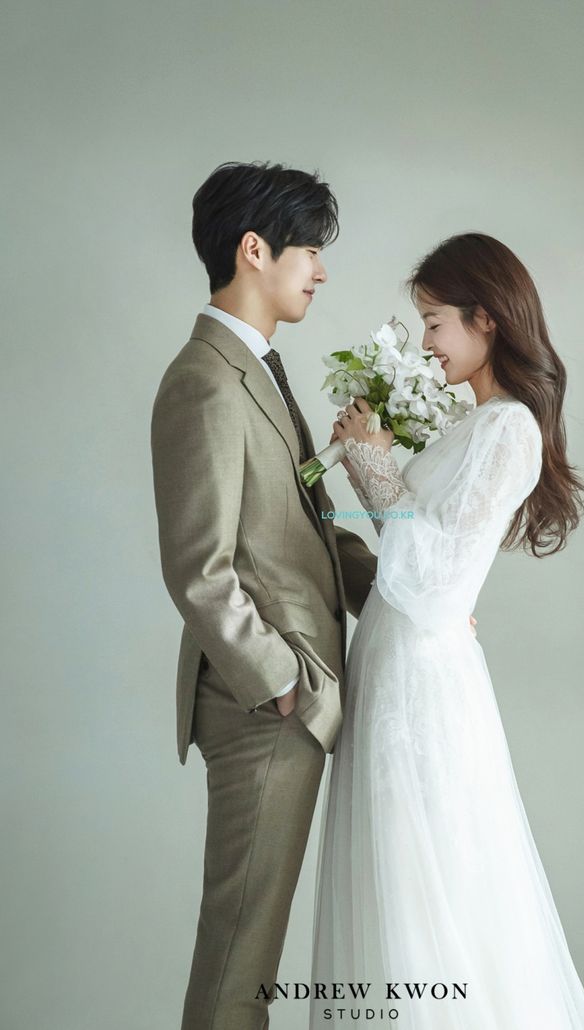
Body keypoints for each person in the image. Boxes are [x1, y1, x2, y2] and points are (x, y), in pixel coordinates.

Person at [309, 233, 584, 1029]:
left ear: (487, 321)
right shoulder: (474, 425)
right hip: (397, 662)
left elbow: (433, 587)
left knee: (422, 889)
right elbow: (418, 556)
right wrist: (374, 464)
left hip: (422, 682)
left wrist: (371, 464)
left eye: (435, 323)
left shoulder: (508, 430)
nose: (428, 344)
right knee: (392, 884)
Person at [150, 160, 380, 1030]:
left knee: (253, 954)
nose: (319, 271)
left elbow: (311, 532)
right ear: (255, 250)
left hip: (293, 702)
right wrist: (283, 683)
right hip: (264, 710)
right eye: (309, 251)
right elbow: (200, 568)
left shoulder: (263, 370)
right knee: (241, 954)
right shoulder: (204, 380)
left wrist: (411, 593)